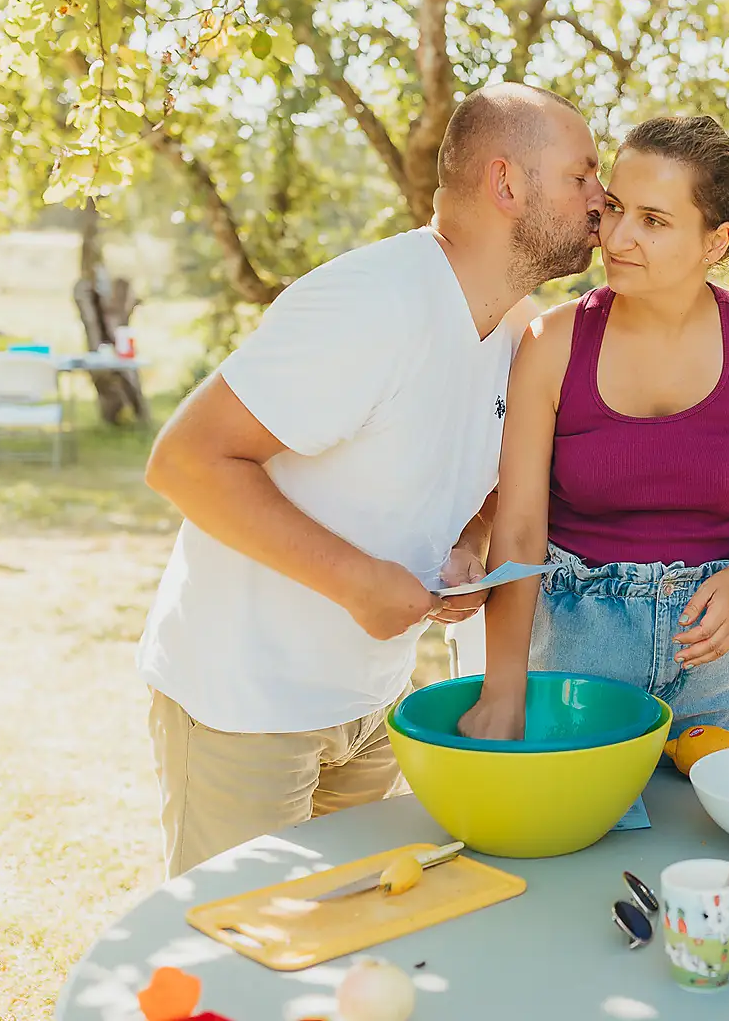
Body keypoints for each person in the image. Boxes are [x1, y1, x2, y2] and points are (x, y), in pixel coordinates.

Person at [135, 83, 607, 876]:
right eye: (583, 175)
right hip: (243, 706)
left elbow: (483, 472)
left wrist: (468, 541)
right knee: (237, 969)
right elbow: (186, 460)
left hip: (370, 709)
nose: (604, 199)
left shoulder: (522, 329)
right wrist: (357, 582)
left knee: (341, 957)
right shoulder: (372, 303)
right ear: (507, 184)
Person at [458, 115, 729, 746]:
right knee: (580, 838)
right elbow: (519, 529)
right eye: (616, 208)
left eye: (654, 221)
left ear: (716, 241)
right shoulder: (553, 345)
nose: (618, 237)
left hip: (721, 659)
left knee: (725, 842)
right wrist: (503, 689)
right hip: (578, 651)